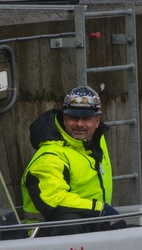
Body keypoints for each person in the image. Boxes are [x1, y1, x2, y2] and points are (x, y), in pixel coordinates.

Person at [21, 85, 124, 233]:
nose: (79, 124)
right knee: (69, 222)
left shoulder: (95, 141)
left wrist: (103, 217)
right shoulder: (50, 155)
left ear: (97, 121)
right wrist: (100, 210)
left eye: (86, 119)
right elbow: (53, 199)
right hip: (49, 238)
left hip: (92, 224)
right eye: (73, 117)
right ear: (64, 118)